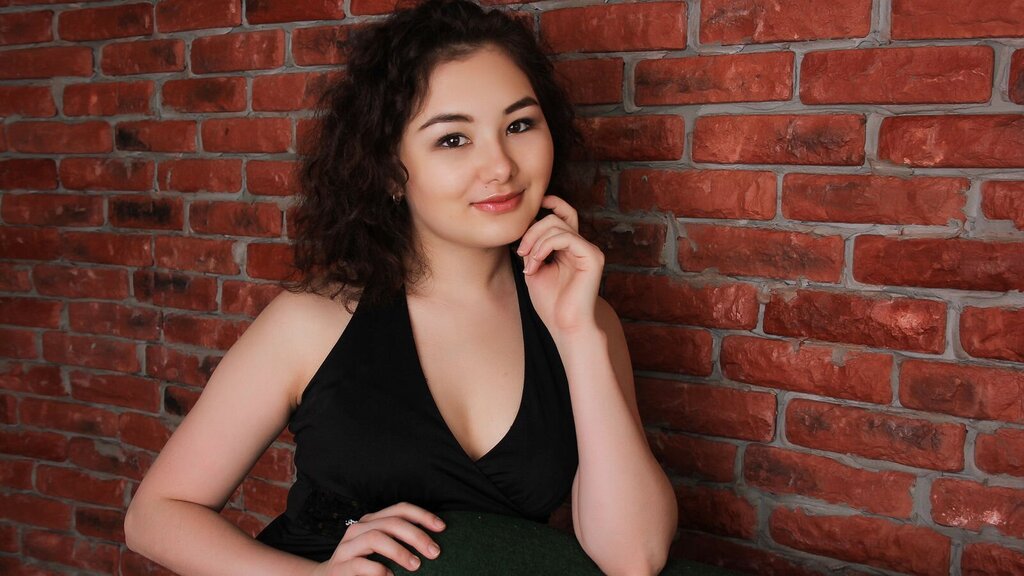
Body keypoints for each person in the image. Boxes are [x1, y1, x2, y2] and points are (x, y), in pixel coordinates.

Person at [123, 0, 677, 574]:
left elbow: (633, 558)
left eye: (519, 125)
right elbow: (156, 515)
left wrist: (577, 334)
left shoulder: (583, 321)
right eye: (453, 139)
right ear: (390, 169)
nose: (500, 166)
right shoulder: (313, 320)